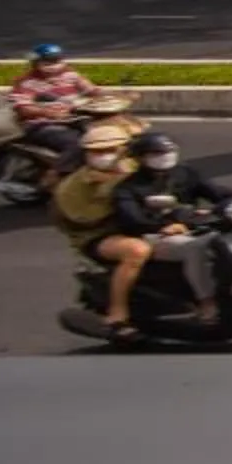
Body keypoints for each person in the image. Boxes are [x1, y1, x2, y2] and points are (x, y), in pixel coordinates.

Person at [111, 132, 231, 322]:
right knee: (196, 248)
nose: (165, 156)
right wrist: (163, 226)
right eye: (157, 153)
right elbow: (133, 220)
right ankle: (206, 302)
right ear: (141, 157)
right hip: (154, 235)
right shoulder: (128, 188)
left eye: (169, 151)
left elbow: (216, 192)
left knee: (231, 236)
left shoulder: (186, 173)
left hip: (193, 227)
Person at [53, 121, 155, 335]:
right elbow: (82, 218)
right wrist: (116, 195)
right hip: (98, 236)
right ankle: (118, 312)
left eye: (111, 150)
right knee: (136, 251)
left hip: (144, 224)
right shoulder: (72, 186)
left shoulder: (137, 169)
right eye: (97, 151)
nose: (104, 155)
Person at [10, 43, 95, 172]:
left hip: (74, 119)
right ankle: (57, 175)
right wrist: (49, 113)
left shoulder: (70, 75)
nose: (54, 67)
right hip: (43, 125)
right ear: (36, 64)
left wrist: (118, 96)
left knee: (104, 135)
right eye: (47, 63)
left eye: (57, 62)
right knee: (77, 144)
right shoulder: (26, 82)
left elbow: (92, 90)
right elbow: (24, 109)